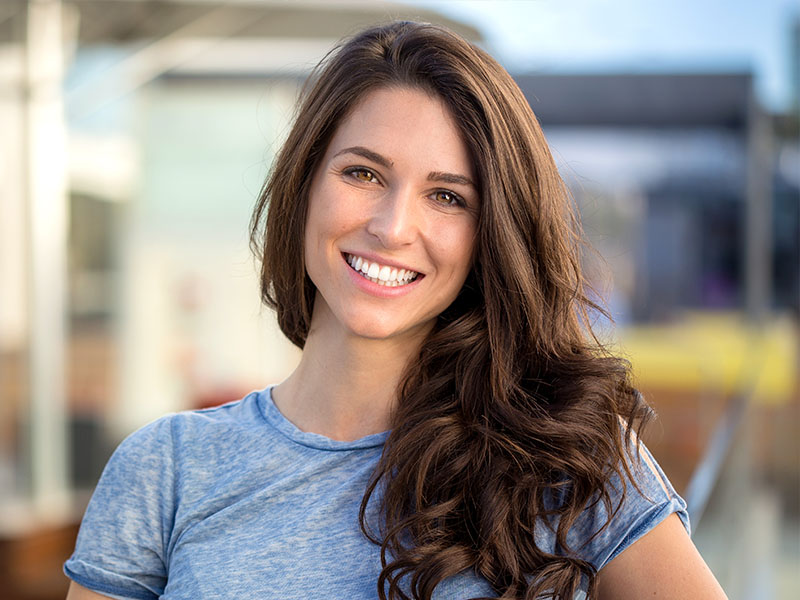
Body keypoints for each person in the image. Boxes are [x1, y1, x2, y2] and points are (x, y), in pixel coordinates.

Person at [64, 21, 727, 600]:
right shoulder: (166, 469)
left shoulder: (572, 458)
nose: (391, 225)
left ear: (488, 235)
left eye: (446, 197)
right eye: (363, 173)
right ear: (305, 182)